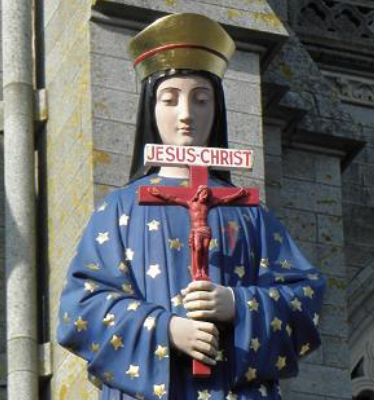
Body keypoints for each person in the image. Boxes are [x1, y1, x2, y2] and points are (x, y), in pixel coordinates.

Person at [57, 13, 326, 400]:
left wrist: (237, 303)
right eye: (170, 99)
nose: (185, 115)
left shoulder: (248, 211)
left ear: (216, 111)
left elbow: (305, 298)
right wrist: (165, 329)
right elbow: (81, 309)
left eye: (200, 100)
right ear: (151, 108)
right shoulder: (119, 210)